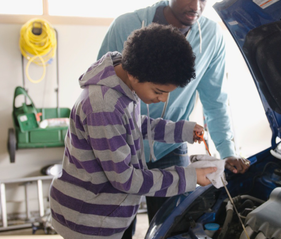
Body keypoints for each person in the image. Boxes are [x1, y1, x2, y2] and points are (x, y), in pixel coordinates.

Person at [49, 23, 218, 239]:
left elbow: (133, 125)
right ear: (134, 75)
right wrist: (189, 176)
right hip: (88, 221)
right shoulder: (103, 106)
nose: (163, 99)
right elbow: (126, 179)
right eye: (158, 91)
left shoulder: (122, 80)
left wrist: (182, 130)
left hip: (109, 212)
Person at [98, 0, 251, 223]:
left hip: (171, 143)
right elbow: (103, 87)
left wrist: (226, 151)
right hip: (122, 142)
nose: (196, 5)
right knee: (118, 227)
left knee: (174, 226)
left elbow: (215, 99)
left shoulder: (211, 36)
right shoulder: (125, 25)